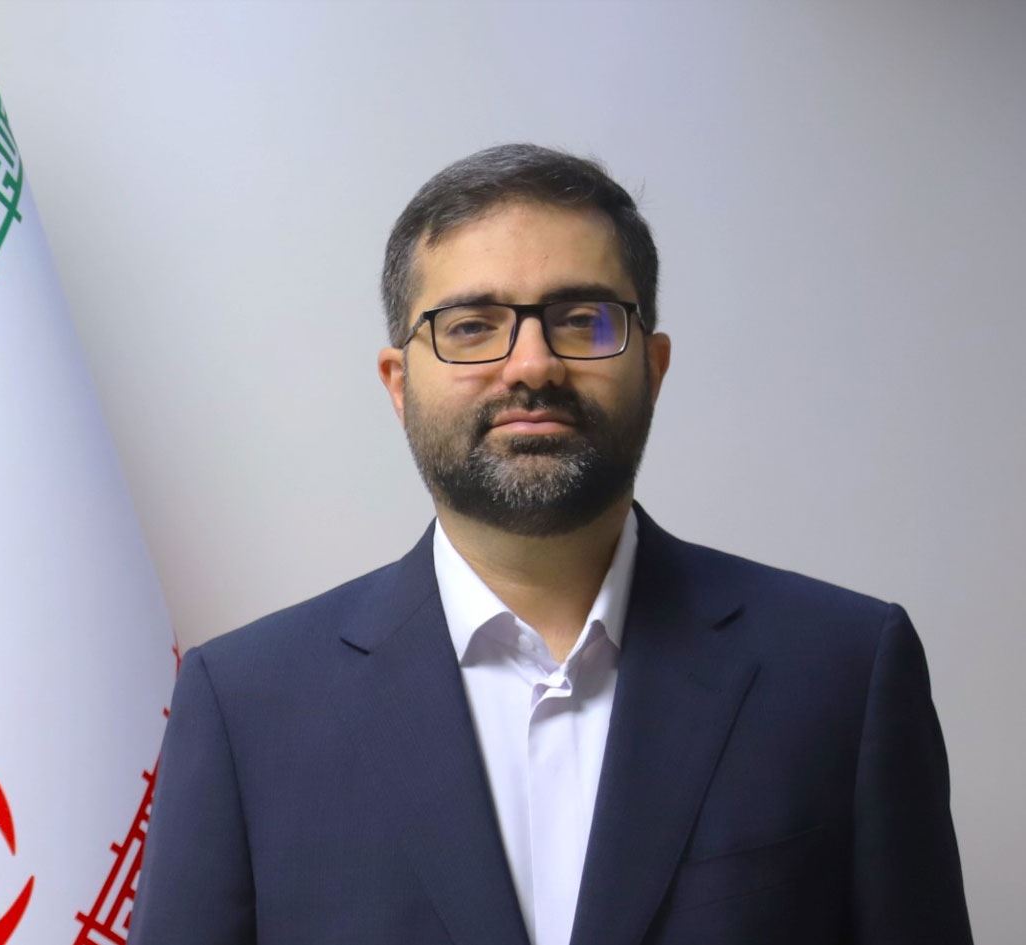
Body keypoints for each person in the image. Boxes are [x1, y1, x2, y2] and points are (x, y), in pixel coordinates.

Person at [126, 144, 972, 945]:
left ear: (654, 367)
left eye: (581, 319)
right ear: (399, 383)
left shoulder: (843, 671)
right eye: (471, 325)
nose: (532, 365)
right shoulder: (246, 707)